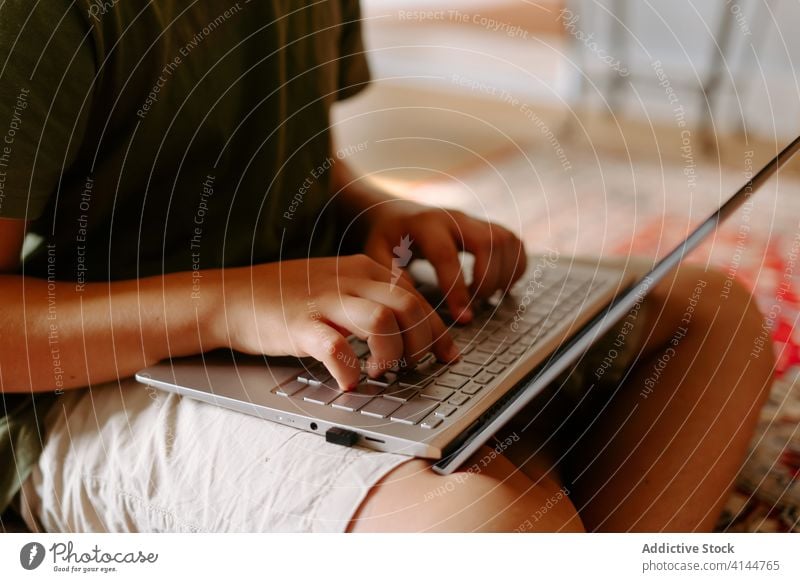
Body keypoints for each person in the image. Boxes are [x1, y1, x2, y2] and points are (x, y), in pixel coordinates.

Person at [0, 1, 773, 532]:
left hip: (309, 307)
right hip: (88, 381)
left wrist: (374, 208)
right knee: (493, 526)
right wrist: (226, 304)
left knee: (711, 317)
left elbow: (291, 148)